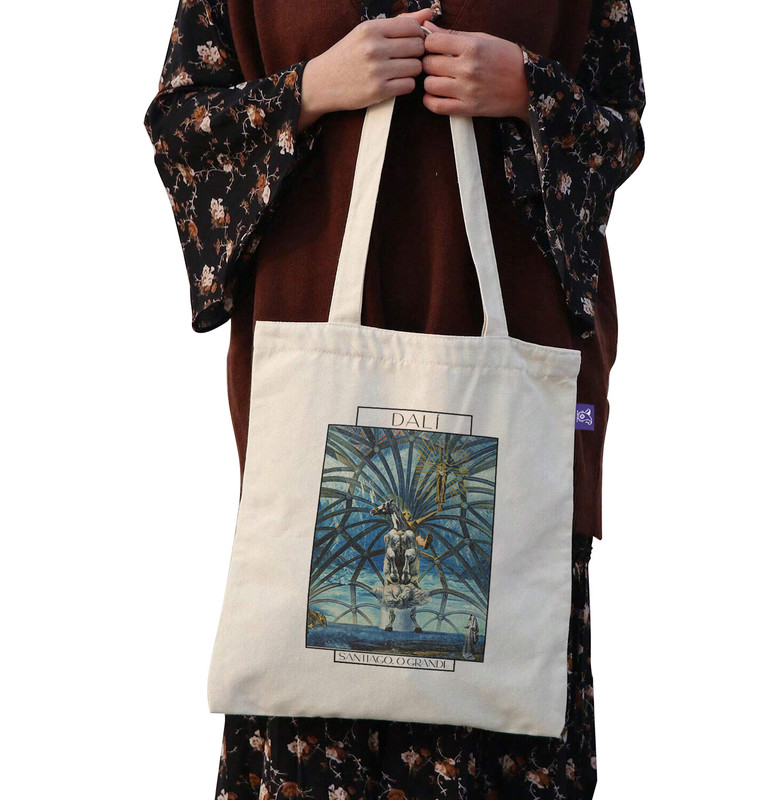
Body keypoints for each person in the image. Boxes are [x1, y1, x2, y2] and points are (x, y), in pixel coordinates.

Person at [143, 1, 645, 797]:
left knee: (511, 682)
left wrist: (529, 91)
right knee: (311, 692)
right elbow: (181, 127)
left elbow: (620, 127)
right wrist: (312, 88)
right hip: (321, 410)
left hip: (519, 402)